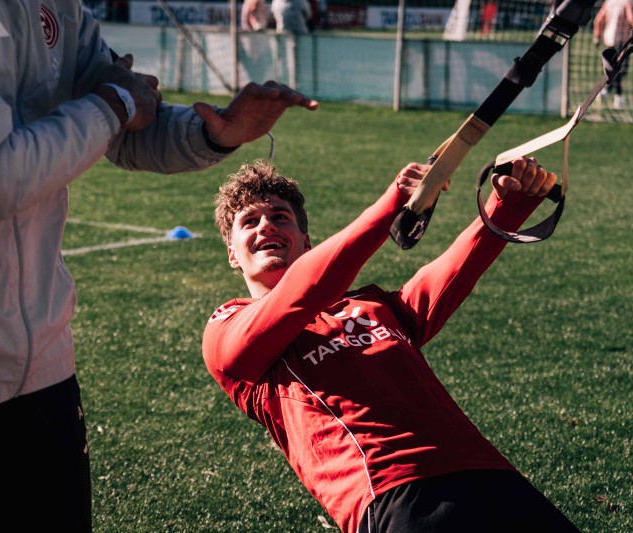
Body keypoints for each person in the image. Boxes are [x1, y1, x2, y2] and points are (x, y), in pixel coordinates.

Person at [0, 0, 318, 530]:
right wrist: (115, 103)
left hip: (43, 364)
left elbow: (127, 124)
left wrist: (217, 131)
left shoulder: (62, 10)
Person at [203, 157, 580, 532]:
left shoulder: (374, 305)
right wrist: (394, 203)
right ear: (233, 254)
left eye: (280, 216)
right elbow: (307, 288)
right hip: (395, 496)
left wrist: (509, 205)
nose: (266, 225)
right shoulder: (226, 328)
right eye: (249, 221)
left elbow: (454, 271)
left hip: (493, 476)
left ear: (307, 241)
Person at [593, 0, 633, 109]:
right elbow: (631, 19)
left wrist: (597, 36)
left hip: (609, 39)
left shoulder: (609, 2)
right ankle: (613, 96)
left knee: (614, 70)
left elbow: (598, 20)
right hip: (621, 41)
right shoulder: (627, 2)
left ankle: (614, 96)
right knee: (621, 70)